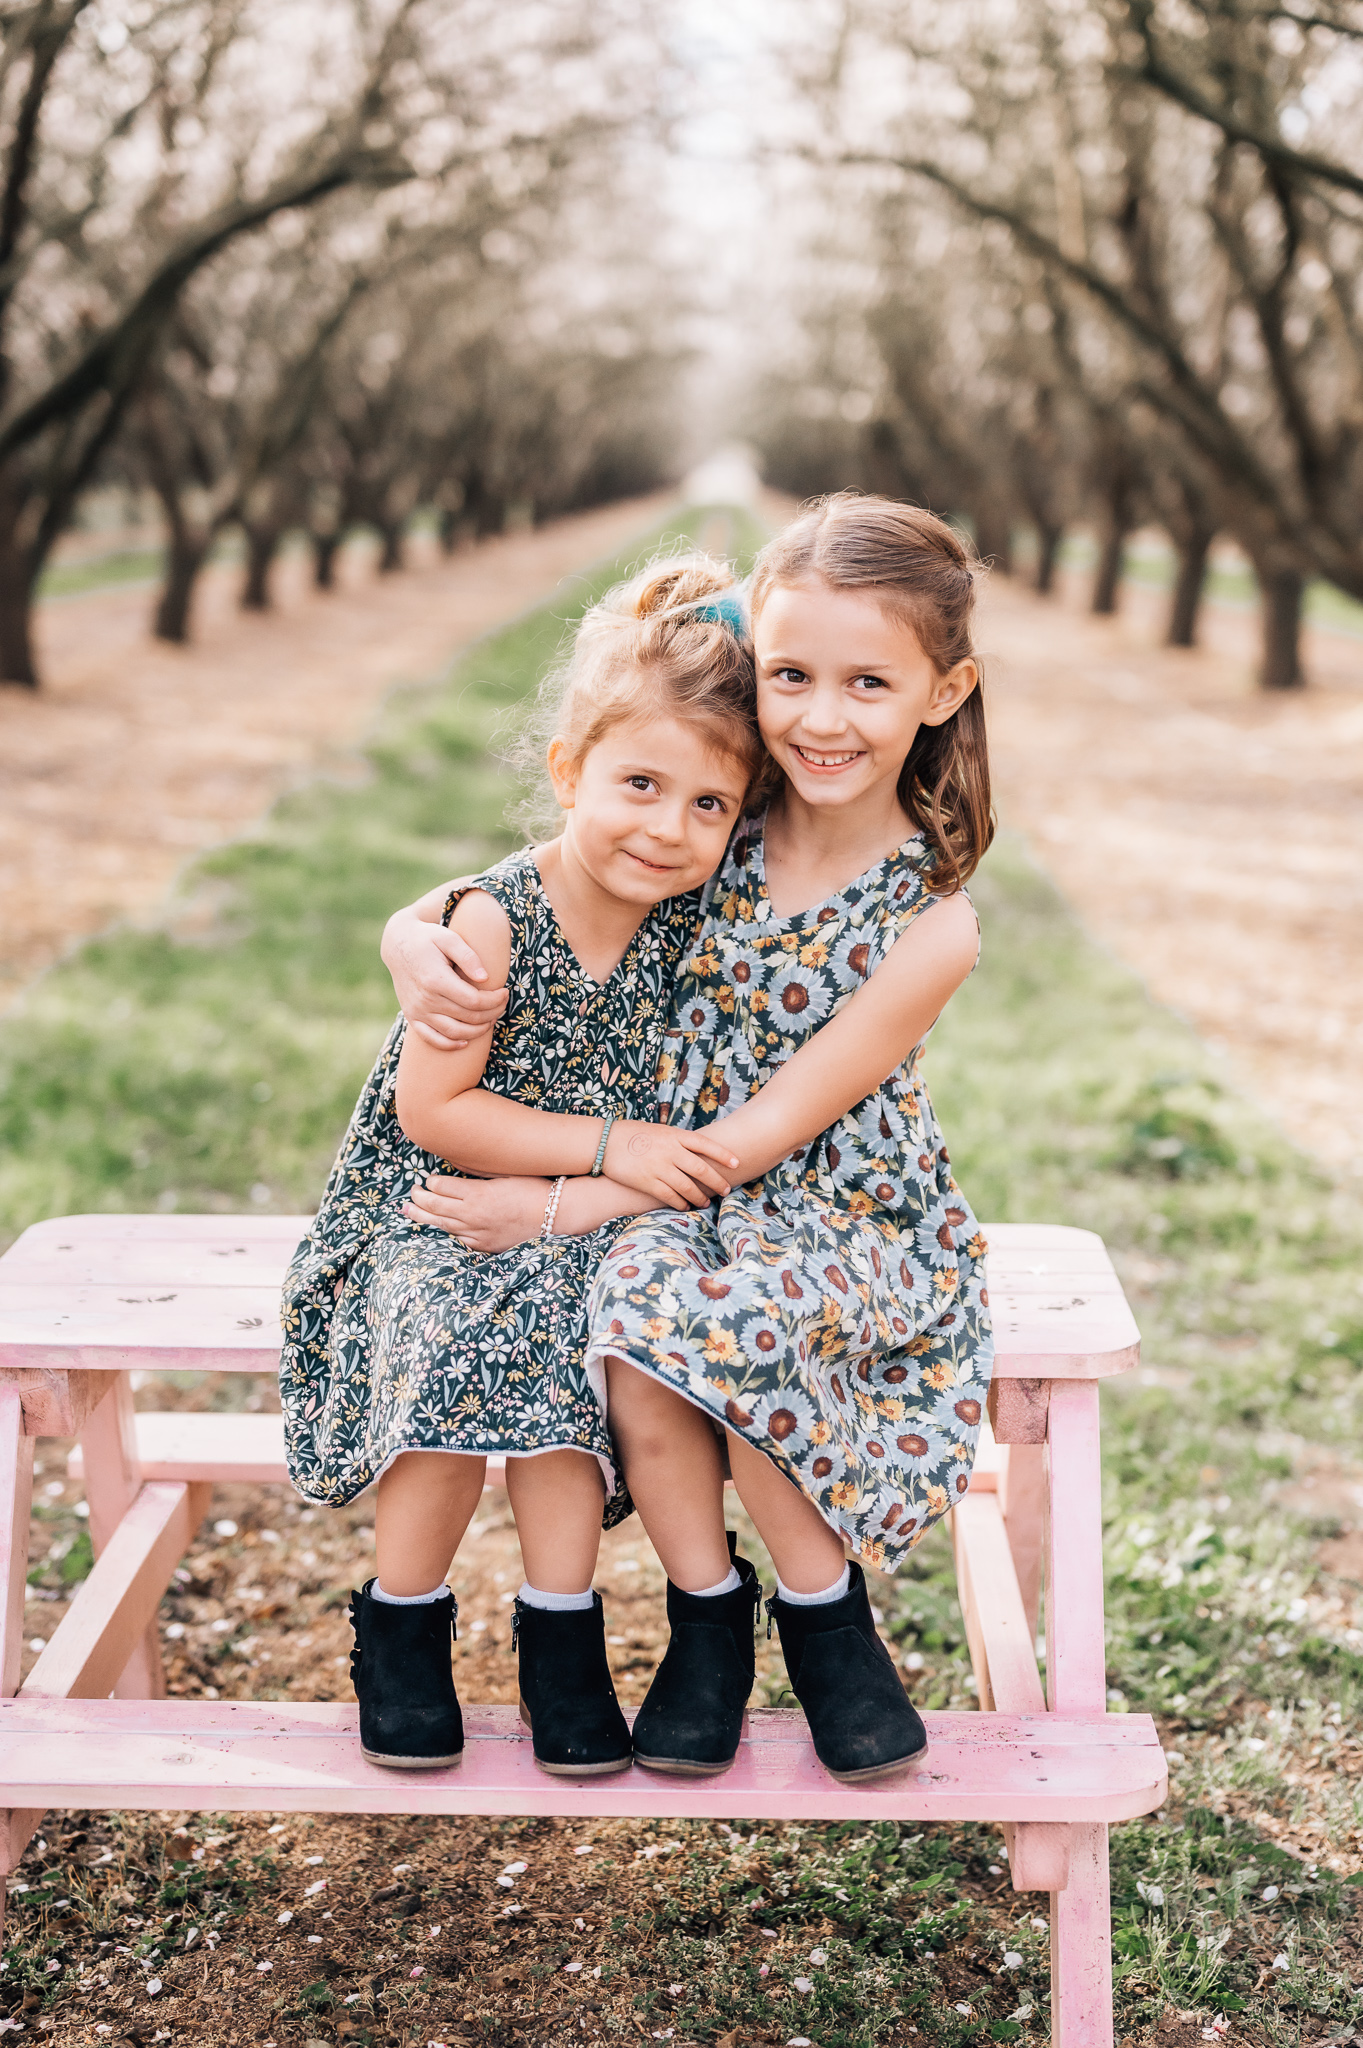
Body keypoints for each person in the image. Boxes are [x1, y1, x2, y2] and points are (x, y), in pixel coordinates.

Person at [384, 493, 995, 1785]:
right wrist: (413, 925)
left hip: (833, 1208)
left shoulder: (929, 922)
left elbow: (763, 1134)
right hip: (675, 1198)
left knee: (722, 1317)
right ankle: (705, 1619)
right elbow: (551, 860)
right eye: (790, 675)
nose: (819, 716)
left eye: (867, 683)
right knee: (643, 1330)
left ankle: (826, 1621)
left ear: (943, 692)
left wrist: (552, 1207)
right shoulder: (715, 821)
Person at [279, 553, 762, 1778]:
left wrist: (576, 1198)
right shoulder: (494, 919)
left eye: (708, 804)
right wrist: (613, 1148)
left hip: (591, 1216)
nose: (668, 825)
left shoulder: (693, 928)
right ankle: (400, 1622)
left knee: (570, 1345)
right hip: (436, 1203)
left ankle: (561, 1633)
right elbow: (436, 1111)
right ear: (567, 772)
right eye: (639, 783)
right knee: (447, 1331)